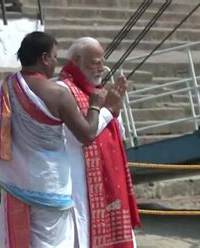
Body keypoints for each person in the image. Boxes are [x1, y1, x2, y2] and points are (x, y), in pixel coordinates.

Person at [0, 31, 125, 247]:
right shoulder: (58, 94)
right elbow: (86, 134)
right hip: (50, 185)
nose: (56, 63)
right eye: (55, 57)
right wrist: (98, 105)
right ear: (45, 57)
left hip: (16, 183)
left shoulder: (4, 88)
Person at [58, 37, 141, 248]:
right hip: (81, 180)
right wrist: (106, 109)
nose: (101, 68)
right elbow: (80, 135)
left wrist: (116, 107)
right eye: (95, 62)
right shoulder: (63, 90)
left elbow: (118, 134)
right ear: (77, 61)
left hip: (112, 175)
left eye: (102, 62)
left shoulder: (99, 90)